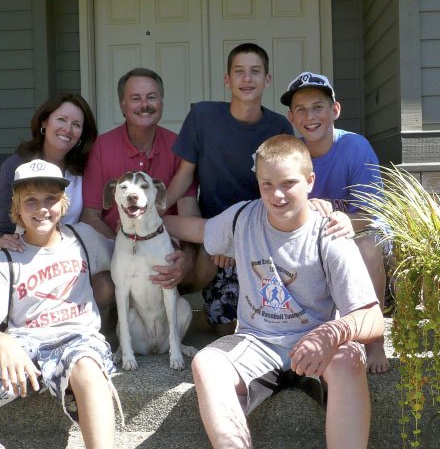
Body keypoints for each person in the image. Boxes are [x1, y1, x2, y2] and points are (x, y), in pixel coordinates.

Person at [163, 135, 385, 449]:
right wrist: (147, 222)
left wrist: (332, 333)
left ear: (310, 182)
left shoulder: (330, 232)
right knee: (208, 362)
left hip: (318, 342)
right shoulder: (243, 217)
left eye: (288, 183)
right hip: (258, 342)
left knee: (349, 358)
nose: (277, 195)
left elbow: (372, 316)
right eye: (266, 184)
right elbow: (198, 229)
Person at [167, 43, 350, 335]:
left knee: (271, 316)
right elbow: (184, 177)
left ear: (267, 79)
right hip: (215, 229)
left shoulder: (277, 126)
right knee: (225, 328)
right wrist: (155, 211)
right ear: (227, 79)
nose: (247, 78)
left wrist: (311, 203)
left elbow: (287, 179)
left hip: (260, 231)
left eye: (255, 72)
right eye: (239, 72)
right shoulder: (203, 117)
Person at [0, 160, 120, 449]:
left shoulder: (83, 238)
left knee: (87, 366)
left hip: (77, 340)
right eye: (30, 201)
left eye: (51, 199)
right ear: (16, 208)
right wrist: (3, 343)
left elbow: (125, 259)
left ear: (63, 203)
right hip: (24, 347)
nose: (42, 208)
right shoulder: (6, 257)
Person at [280, 71, 389, 374]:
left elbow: (372, 212)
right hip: (316, 236)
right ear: (291, 117)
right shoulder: (292, 153)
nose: (310, 116)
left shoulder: (355, 147)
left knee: (369, 245)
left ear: (335, 110)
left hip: (357, 229)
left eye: (318, 107)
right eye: (301, 109)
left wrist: (345, 220)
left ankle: (374, 338)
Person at [0, 93, 115, 310]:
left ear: (82, 134)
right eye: (61, 120)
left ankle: (93, 335)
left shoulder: (86, 167)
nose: (68, 129)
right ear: (45, 122)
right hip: (30, 253)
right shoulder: (16, 166)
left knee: (105, 287)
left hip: (73, 254)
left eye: (76, 124)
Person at [81, 67, 199, 291]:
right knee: (102, 288)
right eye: (135, 99)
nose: (144, 105)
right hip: (116, 245)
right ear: (122, 106)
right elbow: (91, 216)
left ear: (161, 103)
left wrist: (185, 257)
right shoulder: (102, 147)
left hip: (163, 245)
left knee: (204, 260)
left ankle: (174, 299)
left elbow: (188, 212)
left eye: (151, 97)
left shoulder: (178, 146)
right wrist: (123, 246)